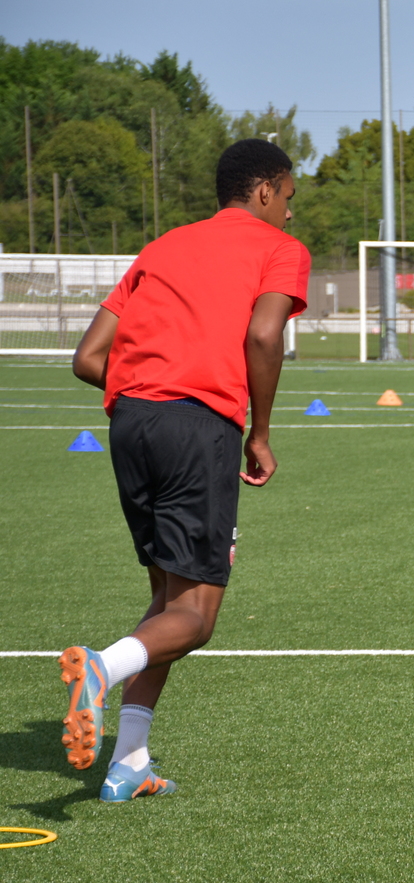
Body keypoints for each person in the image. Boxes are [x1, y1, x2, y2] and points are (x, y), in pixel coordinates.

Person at [57, 139, 309, 802]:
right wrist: (259, 432)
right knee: (196, 615)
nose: (289, 212)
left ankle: (129, 761)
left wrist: (151, 389)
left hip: (129, 423)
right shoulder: (280, 248)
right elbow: (264, 335)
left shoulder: (163, 247)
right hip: (196, 427)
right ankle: (101, 669)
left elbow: (88, 359)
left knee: (168, 600)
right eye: (288, 197)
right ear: (266, 190)